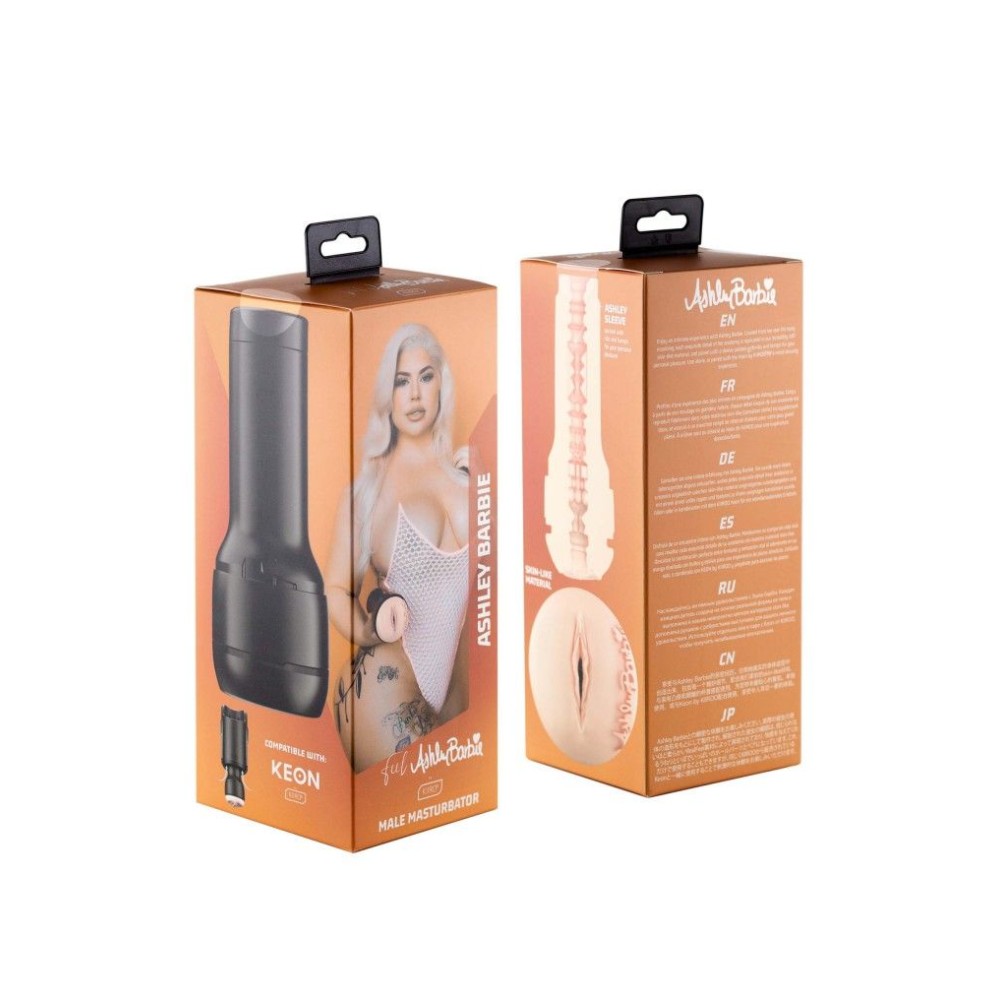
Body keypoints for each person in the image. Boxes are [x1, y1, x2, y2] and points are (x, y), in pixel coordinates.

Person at [326, 324, 470, 771]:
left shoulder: (470, 474)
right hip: (384, 689)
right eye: (401, 381)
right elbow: (335, 590)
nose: (415, 395)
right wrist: (370, 631)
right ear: (387, 395)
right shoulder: (366, 492)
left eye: (426, 377)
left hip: (454, 693)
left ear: (442, 382)